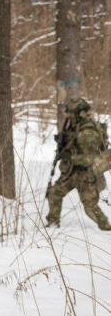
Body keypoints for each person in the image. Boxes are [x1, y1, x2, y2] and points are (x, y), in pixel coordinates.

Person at [46, 98, 111, 230]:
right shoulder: (74, 126)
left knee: (90, 206)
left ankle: (105, 226)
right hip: (72, 172)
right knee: (54, 193)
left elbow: (89, 158)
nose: (69, 115)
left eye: (71, 113)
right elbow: (74, 146)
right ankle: (53, 222)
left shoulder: (88, 131)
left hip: (86, 175)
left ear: (80, 113)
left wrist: (67, 156)